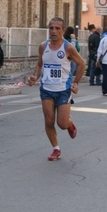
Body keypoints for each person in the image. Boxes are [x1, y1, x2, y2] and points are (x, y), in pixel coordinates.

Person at [27, 17, 85, 161]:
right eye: (51, 28)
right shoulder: (43, 46)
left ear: (63, 31)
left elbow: (81, 64)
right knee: (48, 121)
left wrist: (76, 82)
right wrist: (35, 76)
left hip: (63, 90)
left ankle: (70, 123)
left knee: (62, 123)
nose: (53, 31)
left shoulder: (68, 48)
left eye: (57, 28)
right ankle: (56, 149)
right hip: (46, 89)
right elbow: (40, 64)